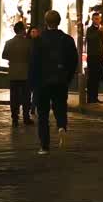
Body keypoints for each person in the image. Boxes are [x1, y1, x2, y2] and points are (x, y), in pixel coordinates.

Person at [30, 10, 78, 155]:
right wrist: (67, 78)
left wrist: (33, 83)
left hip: (42, 82)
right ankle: (61, 126)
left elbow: (33, 63)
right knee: (60, 106)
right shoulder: (68, 40)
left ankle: (44, 146)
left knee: (43, 114)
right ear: (59, 22)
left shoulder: (38, 40)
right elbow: (73, 62)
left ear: (46, 22)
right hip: (60, 81)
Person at [2, 21, 35, 128]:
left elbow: (4, 55)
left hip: (13, 73)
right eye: (25, 29)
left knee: (14, 97)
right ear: (22, 30)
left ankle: (15, 118)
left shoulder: (8, 42)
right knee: (26, 97)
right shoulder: (28, 43)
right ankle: (26, 117)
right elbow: (32, 56)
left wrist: (13, 59)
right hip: (26, 73)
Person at [85, 11, 103, 104]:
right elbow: (90, 38)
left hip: (99, 57)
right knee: (91, 77)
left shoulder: (100, 30)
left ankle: (95, 97)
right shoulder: (90, 29)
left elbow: (102, 43)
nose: (98, 20)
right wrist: (98, 32)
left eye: (99, 19)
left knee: (96, 78)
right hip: (92, 56)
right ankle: (90, 97)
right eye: (96, 19)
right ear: (93, 20)